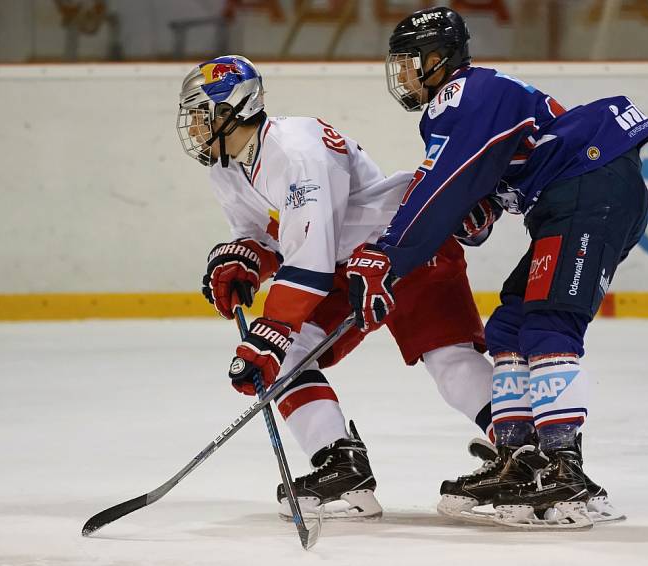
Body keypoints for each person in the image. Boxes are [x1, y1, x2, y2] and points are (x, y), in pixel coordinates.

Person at [346, 7, 648, 529]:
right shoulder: (476, 102)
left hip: (589, 190)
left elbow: (446, 181)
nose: (400, 75)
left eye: (409, 62)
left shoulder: (465, 93)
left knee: (549, 321)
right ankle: (519, 458)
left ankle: (565, 469)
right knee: (510, 325)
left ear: (440, 59)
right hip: (572, 198)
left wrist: (389, 252)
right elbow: (475, 198)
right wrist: (473, 210)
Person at [176, 55, 495, 520]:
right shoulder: (226, 168)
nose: (195, 128)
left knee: (450, 362)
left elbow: (310, 258)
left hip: (401, 248)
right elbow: (270, 238)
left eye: (202, 115)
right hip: (344, 265)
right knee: (284, 355)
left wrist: (272, 327)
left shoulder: (297, 149)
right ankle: (340, 465)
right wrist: (245, 259)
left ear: (233, 110)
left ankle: (527, 453)